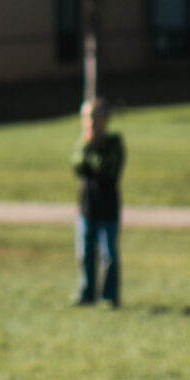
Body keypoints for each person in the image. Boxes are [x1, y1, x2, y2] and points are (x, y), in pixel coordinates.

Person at [72, 96, 125, 307]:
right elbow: (77, 165)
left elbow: (106, 167)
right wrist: (88, 148)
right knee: (84, 254)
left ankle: (109, 297)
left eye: (94, 116)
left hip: (108, 207)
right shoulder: (82, 143)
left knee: (108, 255)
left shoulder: (115, 143)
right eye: (86, 117)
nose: (90, 122)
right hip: (87, 207)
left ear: (105, 118)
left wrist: (92, 156)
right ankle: (86, 293)